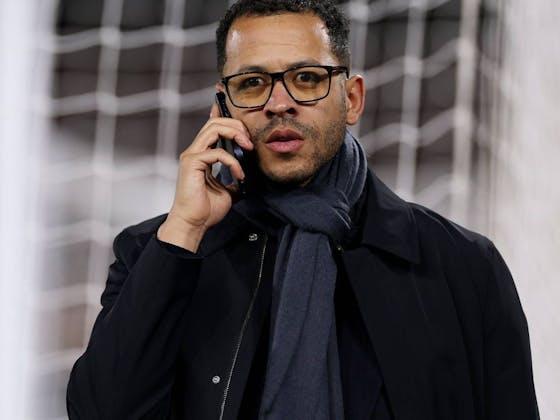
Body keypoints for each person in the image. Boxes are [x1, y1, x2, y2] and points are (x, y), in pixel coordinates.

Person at [66, 1, 540, 419]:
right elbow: (101, 412)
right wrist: (186, 230)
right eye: (253, 83)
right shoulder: (158, 251)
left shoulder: (463, 266)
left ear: (352, 99)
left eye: (307, 78)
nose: (279, 104)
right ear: (223, 106)